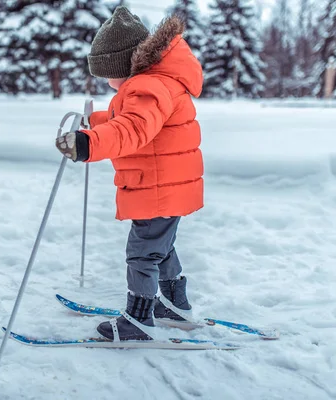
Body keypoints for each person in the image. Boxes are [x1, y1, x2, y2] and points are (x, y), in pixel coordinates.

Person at [55, 6, 204, 341]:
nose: (107, 84)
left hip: (158, 186)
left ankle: (138, 320)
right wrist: (95, 125)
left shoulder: (145, 88)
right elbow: (133, 121)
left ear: (123, 66)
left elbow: (133, 128)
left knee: (142, 253)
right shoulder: (156, 83)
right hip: (169, 185)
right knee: (160, 247)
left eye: (107, 75)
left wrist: (88, 144)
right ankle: (173, 304)